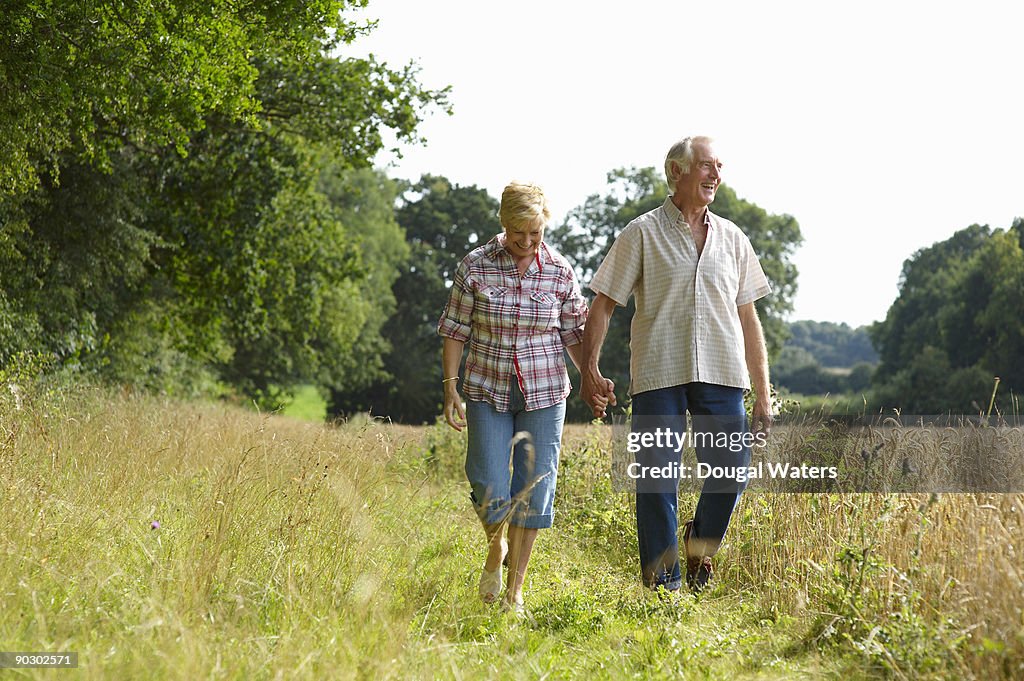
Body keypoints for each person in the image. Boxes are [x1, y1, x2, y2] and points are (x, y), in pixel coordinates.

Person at [581, 136, 773, 592]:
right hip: (658, 371)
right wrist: (589, 369)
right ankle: (663, 589)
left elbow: (749, 317)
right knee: (656, 479)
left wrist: (764, 394)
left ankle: (698, 545)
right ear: (676, 172)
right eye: (706, 166)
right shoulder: (641, 232)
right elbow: (604, 304)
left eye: (719, 167)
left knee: (732, 470)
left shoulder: (733, 238)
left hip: (723, 372)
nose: (716, 175)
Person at [437, 182, 596, 612]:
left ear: (545, 225)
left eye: (535, 233)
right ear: (503, 224)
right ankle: (496, 547)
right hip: (487, 387)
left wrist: (592, 377)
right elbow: (455, 330)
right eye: (516, 232)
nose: (526, 242)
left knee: (535, 486)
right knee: (488, 478)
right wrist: (450, 387)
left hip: (544, 390)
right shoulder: (475, 266)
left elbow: (573, 334)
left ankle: (515, 592)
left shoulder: (560, 271)